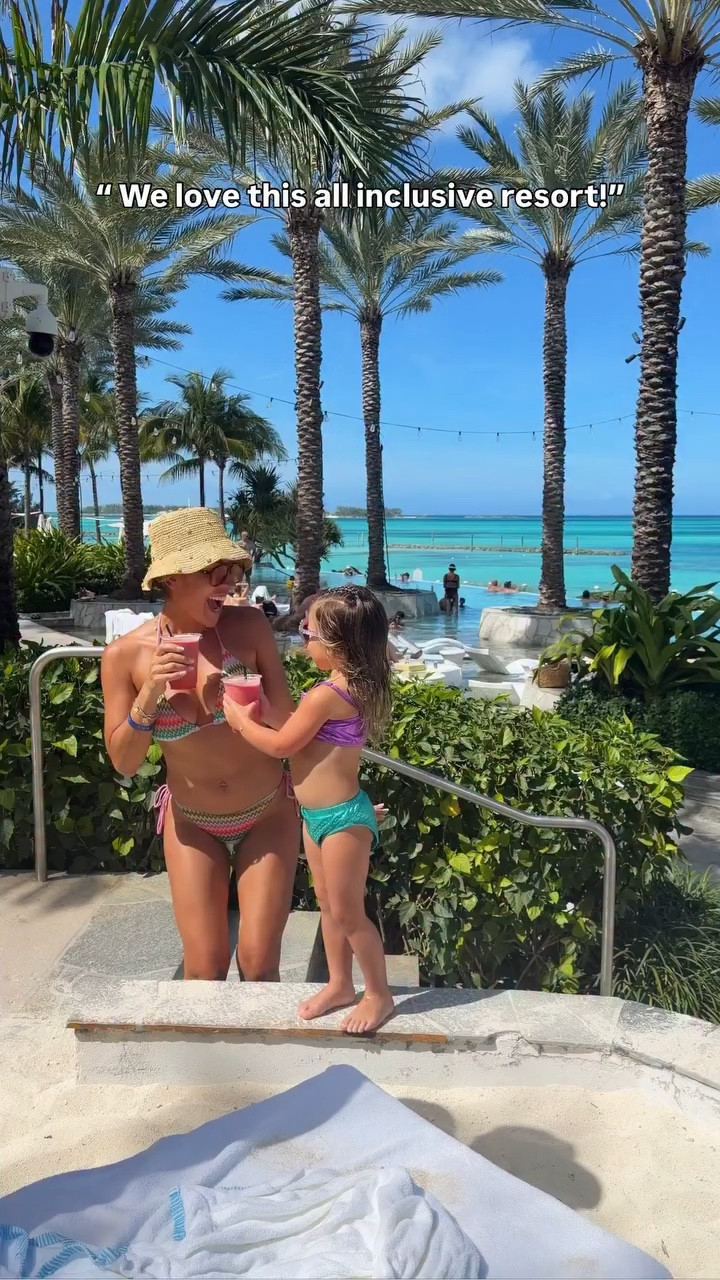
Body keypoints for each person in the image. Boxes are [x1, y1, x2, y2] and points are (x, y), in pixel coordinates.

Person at [101, 508, 300, 983]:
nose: (230, 583)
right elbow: (125, 761)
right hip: (192, 823)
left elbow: (290, 725)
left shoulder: (249, 627)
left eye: (233, 570)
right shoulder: (124, 656)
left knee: (258, 963)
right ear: (172, 578)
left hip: (268, 814)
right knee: (205, 969)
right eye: (215, 571)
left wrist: (245, 699)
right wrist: (151, 691)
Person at [224, 585, 394, 1035]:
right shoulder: (345, 686)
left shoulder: (326, 694)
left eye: (308, 632)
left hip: (340, 820)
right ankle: (339, 984)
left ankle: (378, 993)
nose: (303, 641)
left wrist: (241, 722)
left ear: (338, 642)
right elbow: (301, 734)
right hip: (320, 817)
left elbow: (283, 745)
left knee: (348, 913)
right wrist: (262, 707)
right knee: (329, 907)